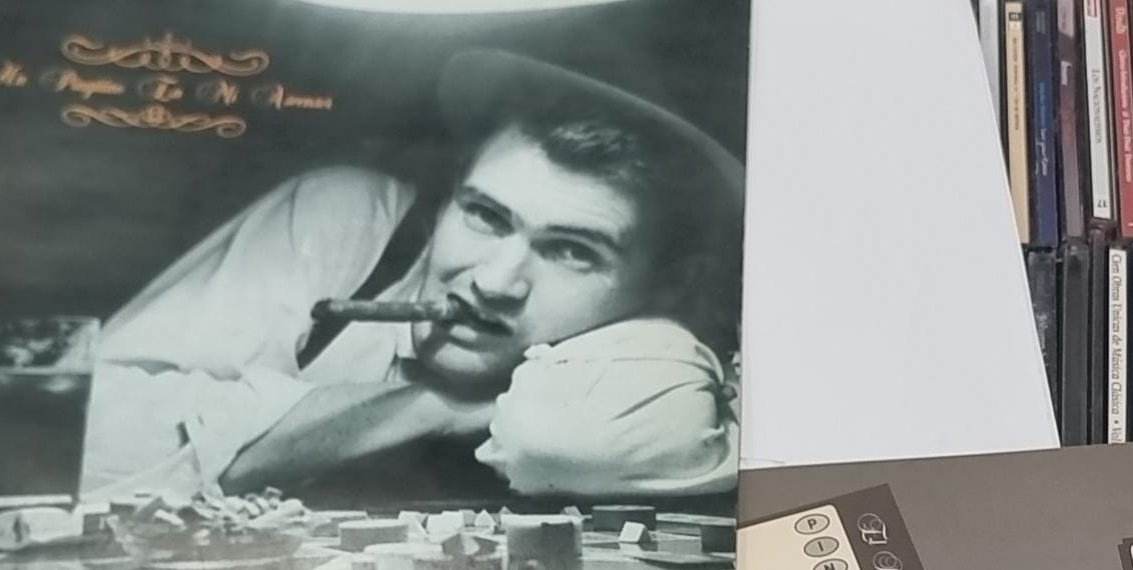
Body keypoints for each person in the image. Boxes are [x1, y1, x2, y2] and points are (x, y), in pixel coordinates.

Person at [76, 49, 744, 509]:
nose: (495, 282)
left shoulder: (658, 353)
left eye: (571, 251)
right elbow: (83, 430)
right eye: (484, 216)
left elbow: (570, 441)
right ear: (450, 196)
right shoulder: (350, 221)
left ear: (665, 286)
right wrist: (434, 407)